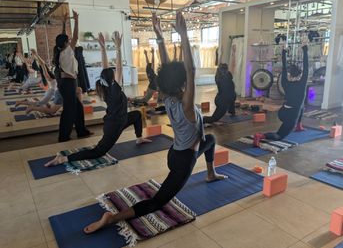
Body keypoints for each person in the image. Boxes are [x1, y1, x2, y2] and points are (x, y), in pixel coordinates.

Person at [82, 12, 227, 234]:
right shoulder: (186, 105)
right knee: (158, 202)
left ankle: (210, 173)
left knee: (211, 139)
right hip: (183, 161)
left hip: (175, 153)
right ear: (184, 83)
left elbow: (168, 69)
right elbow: (190, 69)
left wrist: (160, 36)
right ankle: (112, 218)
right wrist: (184, 35)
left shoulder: (167, 97)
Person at [45, 31, 152, 166]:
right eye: (114, 74)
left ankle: (139, 138)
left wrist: (102, 48)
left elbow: (105, 67)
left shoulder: (105, 85)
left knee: (136, 115)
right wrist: (118, 49)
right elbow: (118, 68)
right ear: (113, 78)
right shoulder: (113, 88)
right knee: (98, 151)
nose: (115, 72)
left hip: (120, 119)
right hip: (114, 126)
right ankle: (64, 159)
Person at [253, 37, 309, 146]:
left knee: (301, 104)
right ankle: (261, 136)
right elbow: (306, 66)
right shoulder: (302, 84)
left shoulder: (285, 82)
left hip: (282, 112)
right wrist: (305, 48)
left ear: (290, 74)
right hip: (292, 115)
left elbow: (284, 66)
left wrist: (284, 51)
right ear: (300, 74)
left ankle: (299, 125)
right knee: (279, 135)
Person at [53, 10, 92, 142]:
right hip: (68, 84)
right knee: (69, 111)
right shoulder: (67, 52)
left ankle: (81, 131)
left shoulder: (61, 51)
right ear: (65, 44)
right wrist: (76, 20)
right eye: (68, 41)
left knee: (78, 107)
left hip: (68, 83)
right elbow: (74, 37)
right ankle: (63, 136)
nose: (70, 41)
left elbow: (64, 37)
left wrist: (64, 23)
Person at [15, 49, 63, 115]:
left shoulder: (51, 73)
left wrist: (36, 55)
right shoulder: (47, 75)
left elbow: (43, 64)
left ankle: (26, 102)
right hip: (51, 92)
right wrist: (36, 54)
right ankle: (25, 104)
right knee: (39, 103)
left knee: (44, 103)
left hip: (52, 91)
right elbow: (43, 64)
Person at [203, 58, 236, 124]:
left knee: (232, 94)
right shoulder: (225, 77)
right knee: (213, 119)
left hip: (222, 99)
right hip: (222, 101)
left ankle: (231, 111)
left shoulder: (219, 76)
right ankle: (200, 119)